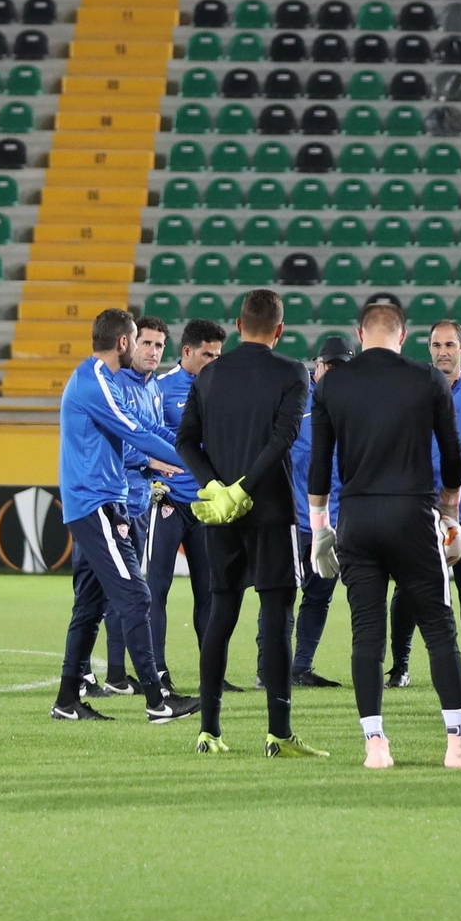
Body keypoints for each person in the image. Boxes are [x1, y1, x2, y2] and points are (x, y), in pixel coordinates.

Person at [309, 303, 461, 771]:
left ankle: (376, 744)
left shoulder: (332, 383)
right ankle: (458, 744)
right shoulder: (427, 379)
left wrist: (320, 529)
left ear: (359, 334)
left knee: (366, 634)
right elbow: (453, 457)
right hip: (414, 515)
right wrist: (450, 512)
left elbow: (319, 465)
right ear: (404, 335)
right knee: (438, 629)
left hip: (357, 517)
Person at [176, 289, 324, 758]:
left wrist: (215, 488)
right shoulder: (292, 371)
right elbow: (285, 437)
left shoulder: (209, 373)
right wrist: (244, 488)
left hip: (220, 517)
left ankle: (209, 731)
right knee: (277, 615)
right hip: (272, 510)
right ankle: (278, 733)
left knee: (220, 613)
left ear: (239, 326)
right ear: (279, 330)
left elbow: (185, 443)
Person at [50, 309, 200, 724]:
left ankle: (67, 700)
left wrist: (193, 450)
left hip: (103, 502)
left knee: (89, 606)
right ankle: (157, 700)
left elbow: (142, 428)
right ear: (123, 343)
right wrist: (199, 465)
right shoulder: (95, 381)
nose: (141, 347)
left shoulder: (102, 380)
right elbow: (135, 433)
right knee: (136, 596)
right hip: (95, 504)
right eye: (138, 340)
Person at [388, 319, 461, 691]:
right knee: (406, 589)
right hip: (419, 509)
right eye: (436, 345)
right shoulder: (412, 389)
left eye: (449, 345)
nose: (442, 352)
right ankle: (399, 667)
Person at [261, 333, 351, 690]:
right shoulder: (296, 405)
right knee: (280, 596)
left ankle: (300, 666)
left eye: (341, 366)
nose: (333, 372)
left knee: (319, 597)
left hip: (334, 523)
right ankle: (267, 669)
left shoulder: (353, 409)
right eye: (329, 365)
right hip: (293, 520)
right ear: (317, 366)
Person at [98, 316, 182, 693]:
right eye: (146, 343)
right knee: (118, 591)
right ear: (130, 345)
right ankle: (113, 673)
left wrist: (186, 449)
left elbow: (155, 433)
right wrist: (154, 461)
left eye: (159, 346)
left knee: (119, 590)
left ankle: (115, 674)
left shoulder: (153, 390)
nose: (152, 351)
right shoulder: (115, 384)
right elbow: (124, 443)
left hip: (140, 499)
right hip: (114, 498)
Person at [148, 319, 228, 694]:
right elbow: (143, 438)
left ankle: (212, 674)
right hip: (168, 503)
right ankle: (157, 672)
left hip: (207, 507)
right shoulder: (159, 389)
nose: (214, 360)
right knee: (156, 589)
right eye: (207, 353)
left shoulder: (224, 389)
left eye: (218, 354)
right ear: (187, 352)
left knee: (210, 594)